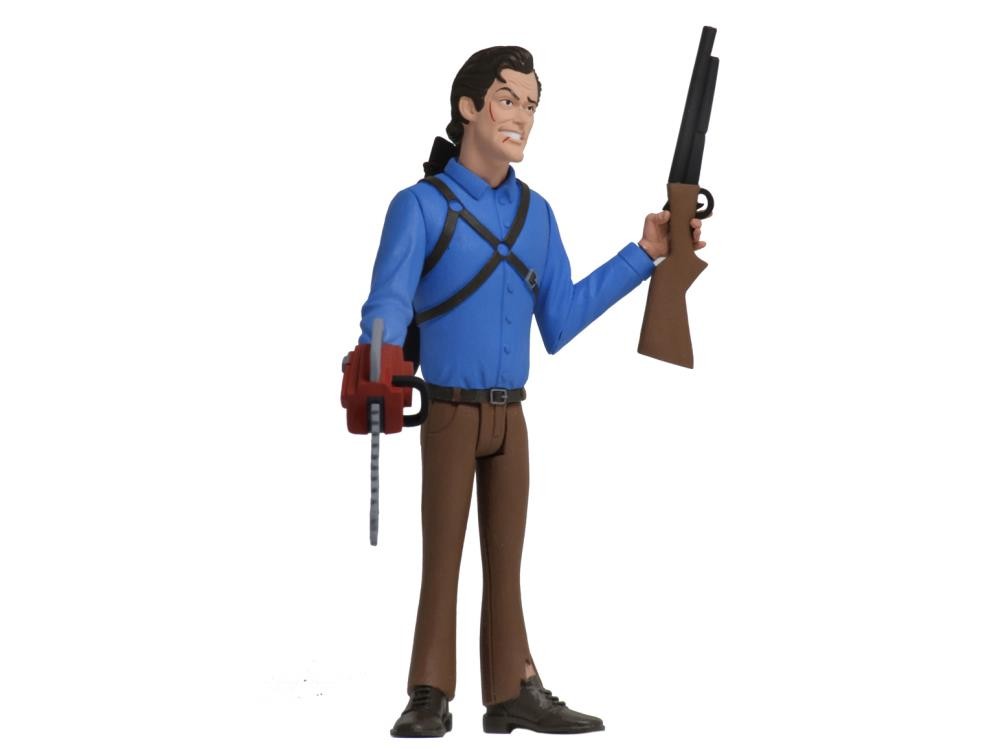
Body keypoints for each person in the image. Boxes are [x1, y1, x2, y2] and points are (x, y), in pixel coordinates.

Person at [350, 46, 705, 737]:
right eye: (508, 100)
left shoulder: (536, 215)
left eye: (532, 105)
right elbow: (387, 298)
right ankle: (430, 689)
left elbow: (561, 318)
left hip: (512, 418)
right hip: (449, 411)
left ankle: (513, 687)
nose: (521, 117)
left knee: (507, 563)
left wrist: (646, 254)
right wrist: (378, 360)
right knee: (442, 559)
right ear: (469, 107)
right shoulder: (419, 206)